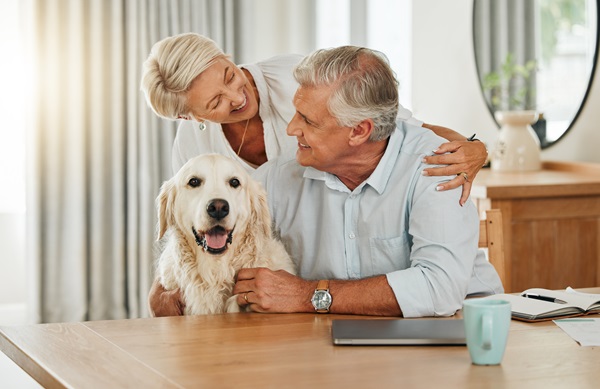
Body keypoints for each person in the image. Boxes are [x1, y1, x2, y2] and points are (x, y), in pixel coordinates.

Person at [149, 45, 503, 318]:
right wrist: (164, 284)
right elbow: (206, 231)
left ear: (360, 131)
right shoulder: (276, 178)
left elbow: (438, 288)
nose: (290, 129)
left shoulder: (437, 167)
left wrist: (307, 296)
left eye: (306, 120)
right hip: (331, 340)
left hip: (460, 331)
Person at [141, 33, 487, 205]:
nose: (236, 97)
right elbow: (186, 219)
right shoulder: (192, 146)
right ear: (189, 116)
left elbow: (394, 124)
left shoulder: (295, 78)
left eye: (229, 76)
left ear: (225, 57)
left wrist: (473, 149)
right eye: (215, 102)